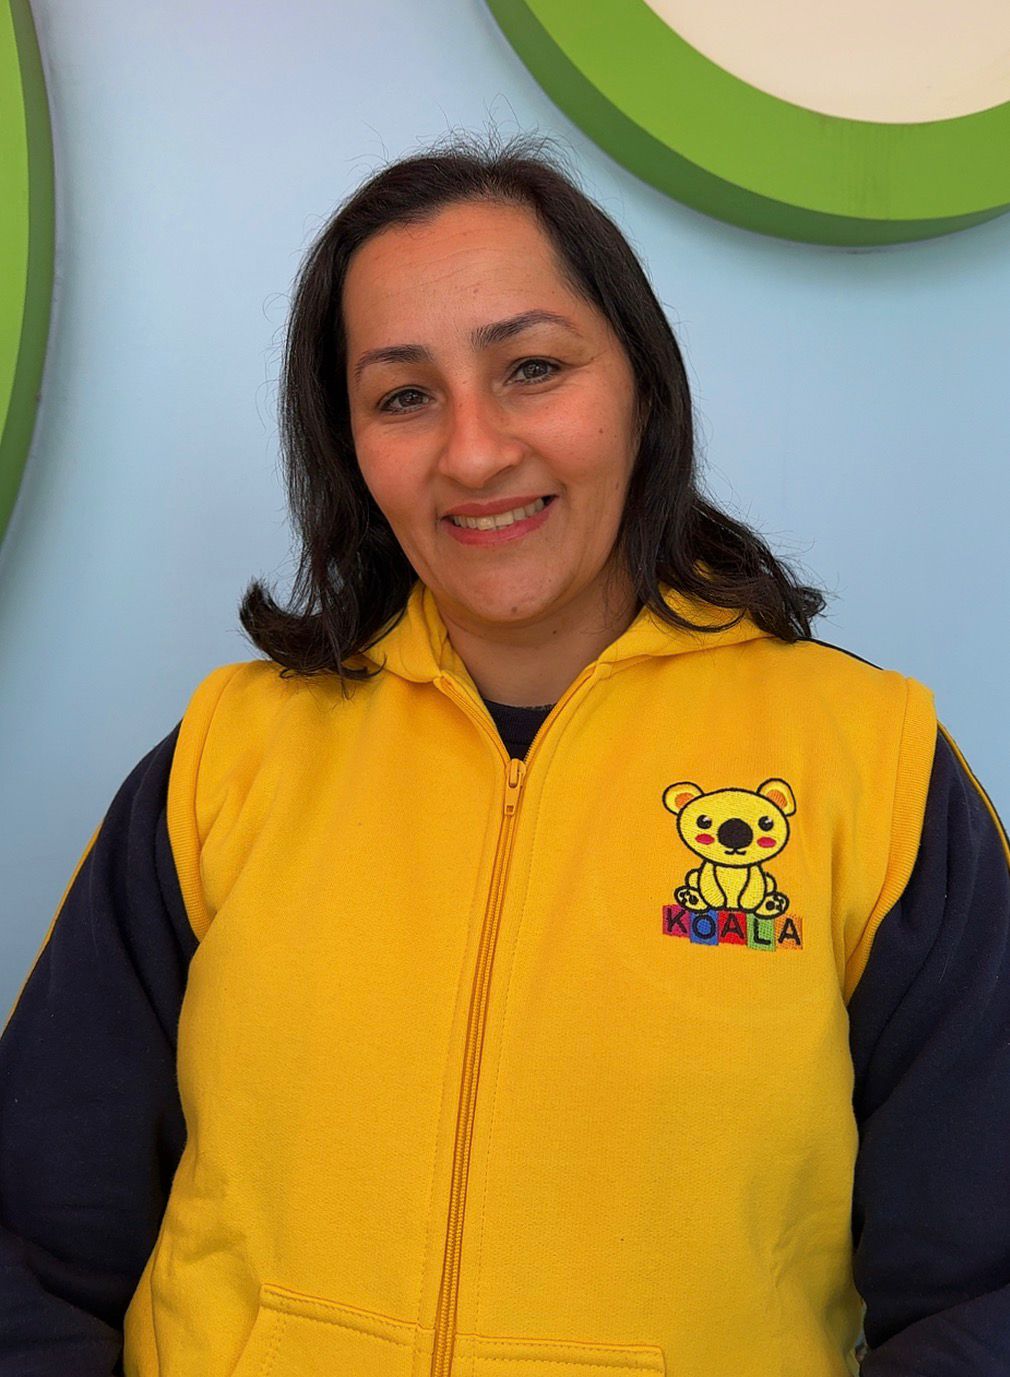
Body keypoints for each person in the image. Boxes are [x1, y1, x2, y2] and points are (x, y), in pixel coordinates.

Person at [1, 131, 1008, 1377]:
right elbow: (32, 1245)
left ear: (641, 388)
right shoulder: (226, 759)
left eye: (531, 368)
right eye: (403, 396)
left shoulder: (870, 767)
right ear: (349, 445)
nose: (473, 452)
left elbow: (979, 1295)